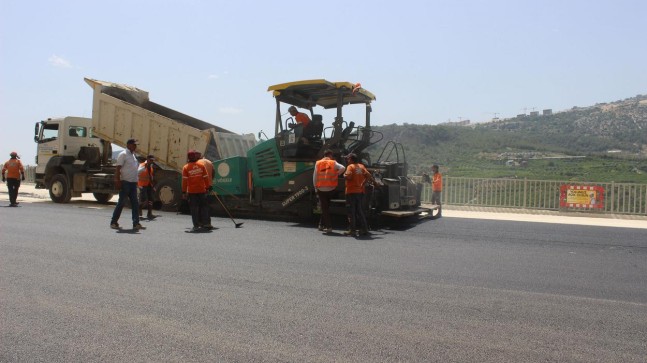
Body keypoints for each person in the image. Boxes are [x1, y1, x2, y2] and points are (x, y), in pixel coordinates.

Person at [111, 139, 145, 230]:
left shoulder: (133, 155)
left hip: (133, 183)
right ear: (129, 145)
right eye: (134, 145)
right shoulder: (123, 154)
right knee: (121, 203)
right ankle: (113, 222)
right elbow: (118, 168)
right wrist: (117, 180)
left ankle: (136, 223)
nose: (135, 147)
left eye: (135, 145)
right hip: (125, 182)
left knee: (135, 203)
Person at [313, 149, 345, 234]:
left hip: (321, 189)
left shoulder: (318, 163)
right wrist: (337, 174)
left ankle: (328, 227)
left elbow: (315, 177)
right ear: (330, 155)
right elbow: (343, 168)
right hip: (331, 188)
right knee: (326, 207)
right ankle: (321, 225)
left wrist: (315, 188)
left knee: (324, 208)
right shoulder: (333, 162)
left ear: (324, 155)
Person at [343, 153, 375, 236]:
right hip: (360, 191)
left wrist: (344, 175)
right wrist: (363, 184)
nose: (347, 160)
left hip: (351, 191)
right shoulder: (361, 166)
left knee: (351, 211)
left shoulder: (350, 167)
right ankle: (364, 229)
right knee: (360, 211)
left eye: (348, 159)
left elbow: (348, 177)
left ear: (351, 159)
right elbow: (368, 176)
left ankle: (352, 230)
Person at [182, 150, 213, 232]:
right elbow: (206, 177)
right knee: (204, 207)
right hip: (202, 190)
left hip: (192, 192)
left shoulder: (186, 167)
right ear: (195, 157)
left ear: (188, 158)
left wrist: (184, 192)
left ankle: (196, 226)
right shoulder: (201, 165)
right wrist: (208, 187)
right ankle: (207, 224)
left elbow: (184, 181)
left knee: (194, 209)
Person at [138, 154, 157, 219]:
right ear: (148, 159)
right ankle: (139, 208)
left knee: (151, 199)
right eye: (151, 160)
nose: (152, 161)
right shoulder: (142, 165)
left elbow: (150, 177)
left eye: (153, 160)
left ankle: (149, 213)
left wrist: (153, 186)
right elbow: (137, 172)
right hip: (142, 185)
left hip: (149, 185)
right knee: (143, 199)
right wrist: (144, 167)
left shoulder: (151, 167)